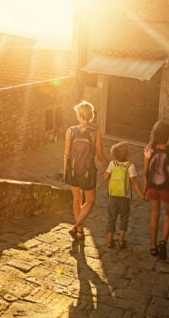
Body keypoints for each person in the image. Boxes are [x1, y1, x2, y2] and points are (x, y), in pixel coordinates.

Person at [64, 100, 109, 241]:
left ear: (78, 115)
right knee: (90, 201)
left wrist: (66, 170)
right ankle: (76, 227)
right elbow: (100, 156)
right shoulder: (96, 133)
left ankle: (79, 231)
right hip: (88, 172)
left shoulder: (70, 131)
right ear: (91, 116)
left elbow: (66, 154)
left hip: (72, 170)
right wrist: (110, 167)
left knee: (76, 199)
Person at [143, 121, 169, 259]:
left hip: (153, 187)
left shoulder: (148, 151)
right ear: (168, 135)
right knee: (168, 214)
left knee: (155, 214)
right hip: (167, 188)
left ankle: (153, 246)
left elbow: (145, 173)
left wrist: (145, 190)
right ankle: (163, 241)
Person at [104, 142, 144, 248]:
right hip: (125, 197)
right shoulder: (130, 166)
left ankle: (109, 241)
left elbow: (106, 177)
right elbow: (134, 182)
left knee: (111, 217)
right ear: (127, 154)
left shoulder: (112, 164)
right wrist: (141, 194)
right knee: (124, 217)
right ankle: (121, 240)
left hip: (112, 196)